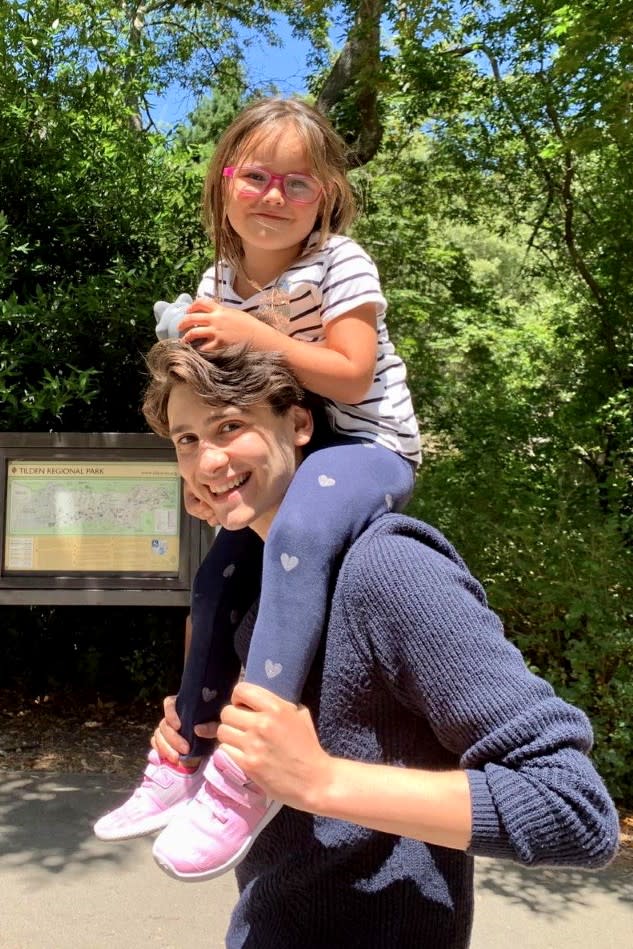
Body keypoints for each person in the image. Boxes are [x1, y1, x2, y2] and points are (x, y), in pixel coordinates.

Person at [144, 339, 618, 949]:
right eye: (187, 439)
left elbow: (573, 808)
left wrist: (317, 780)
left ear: (298, 422)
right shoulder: (257, 576)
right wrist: (223, 748)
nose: (208, 461)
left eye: (230, 426)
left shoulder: (389, 569)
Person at [94, 95, 421, 881]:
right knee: (216, 579)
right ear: (224, 183)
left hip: (363, 447)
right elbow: (210, 401)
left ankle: (245, 776)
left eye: (297, 184)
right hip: (280, 457)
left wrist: (252, 333)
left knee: (302, 537)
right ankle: (189, 752)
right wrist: (210, 470)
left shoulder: (340, 263)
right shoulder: (215, 277)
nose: (274, 196)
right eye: (256, 176)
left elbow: (349, 372)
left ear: (326, 199)